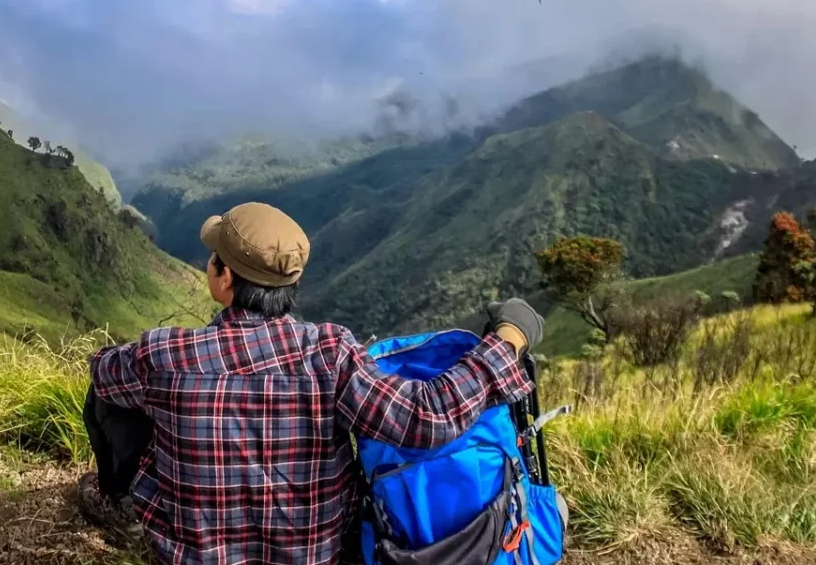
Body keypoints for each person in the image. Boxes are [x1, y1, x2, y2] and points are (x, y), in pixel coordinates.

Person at [78, 201, 543, 565]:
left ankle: (117, 498)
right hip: (312, 553)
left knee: (111, 397)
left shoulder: (164, 354)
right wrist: (509, 338)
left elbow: (102, 372)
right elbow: (429, 415)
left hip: (191, 554)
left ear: (223, 278)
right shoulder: (331, 354)